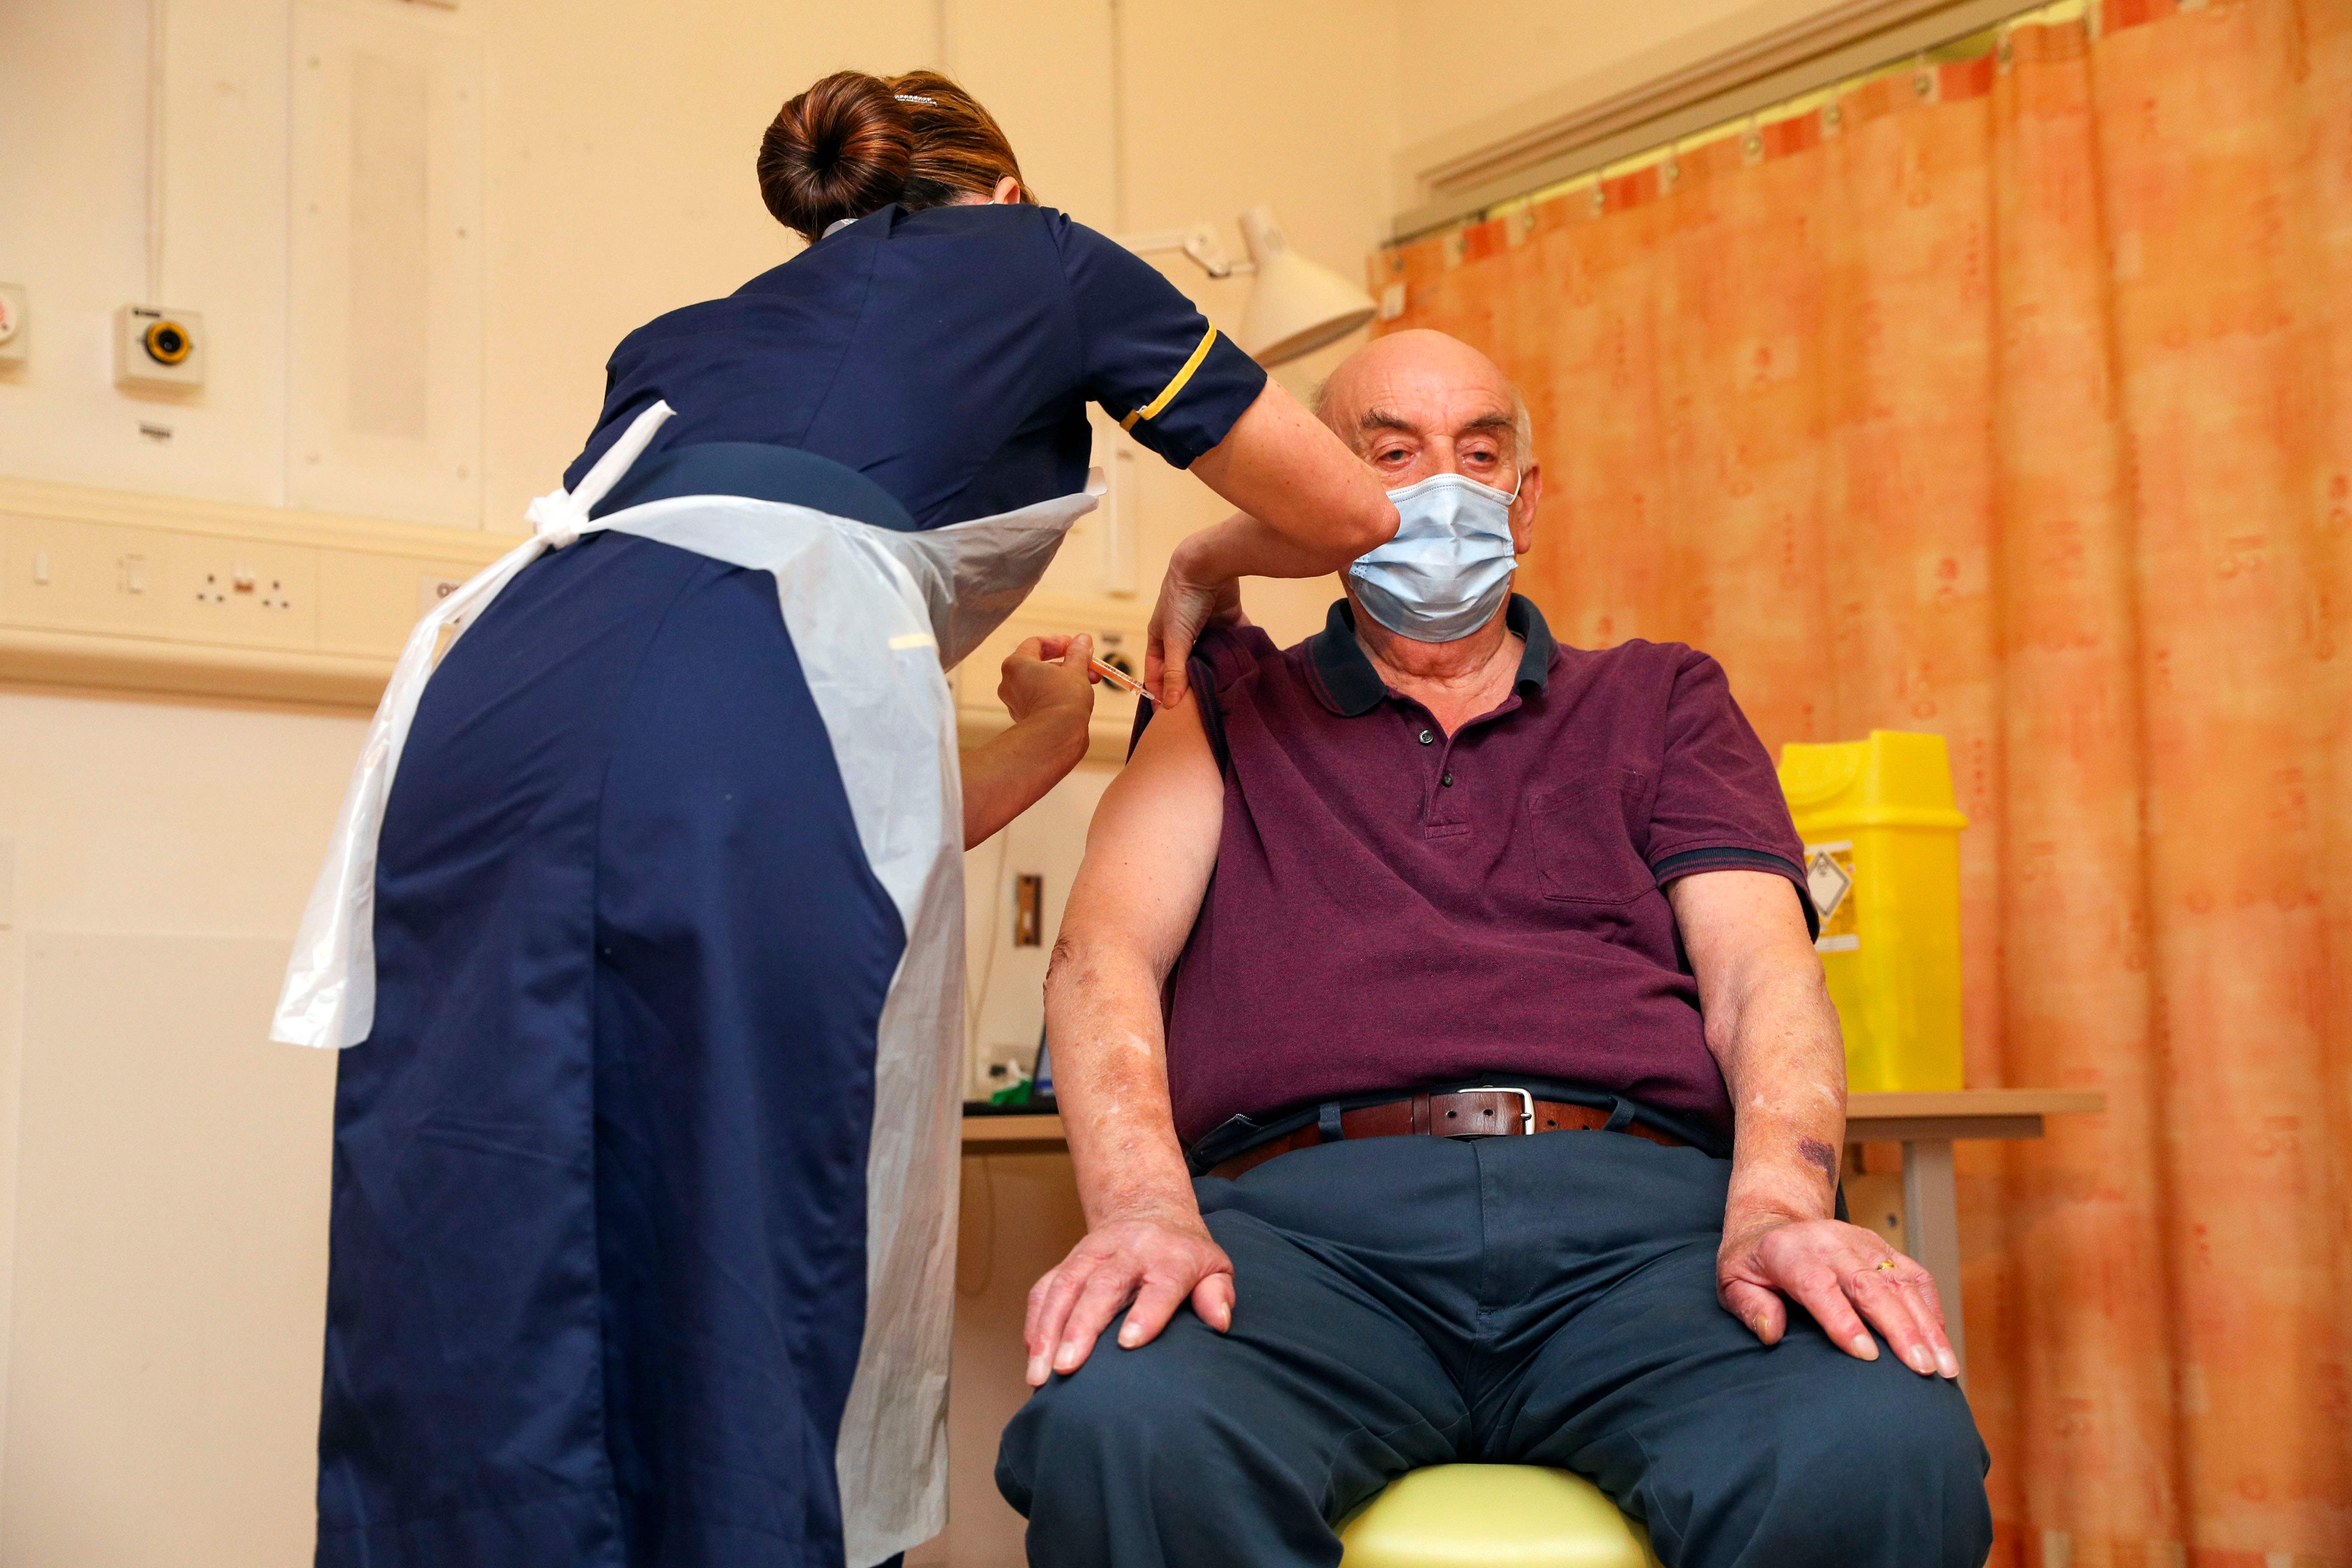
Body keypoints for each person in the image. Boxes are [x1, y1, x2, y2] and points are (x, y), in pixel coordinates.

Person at [279, 70, 1395, 1568]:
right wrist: (1201, 562)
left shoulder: (679, 344)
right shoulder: (1044, 255)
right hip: (739, 708)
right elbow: (1348, 513)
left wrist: (1043, 740)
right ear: (1003, 189)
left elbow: (799, 825)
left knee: (491, 1199)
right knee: (747, 1211)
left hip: (483, 713)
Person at [996, 329, 1994, 1567]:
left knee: (1875, 1438)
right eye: (1391, 455)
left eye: (1480, 453)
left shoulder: (1662, 699)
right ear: (1319, 495)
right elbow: (1103, 959)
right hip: (1308, 1242)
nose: (1444, 487)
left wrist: (1778, 1210)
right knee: (1127, 1425)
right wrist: (1146, 1212)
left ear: (1526, 500)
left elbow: (1762, 972)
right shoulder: (1235, 707)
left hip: (1644, 1238)